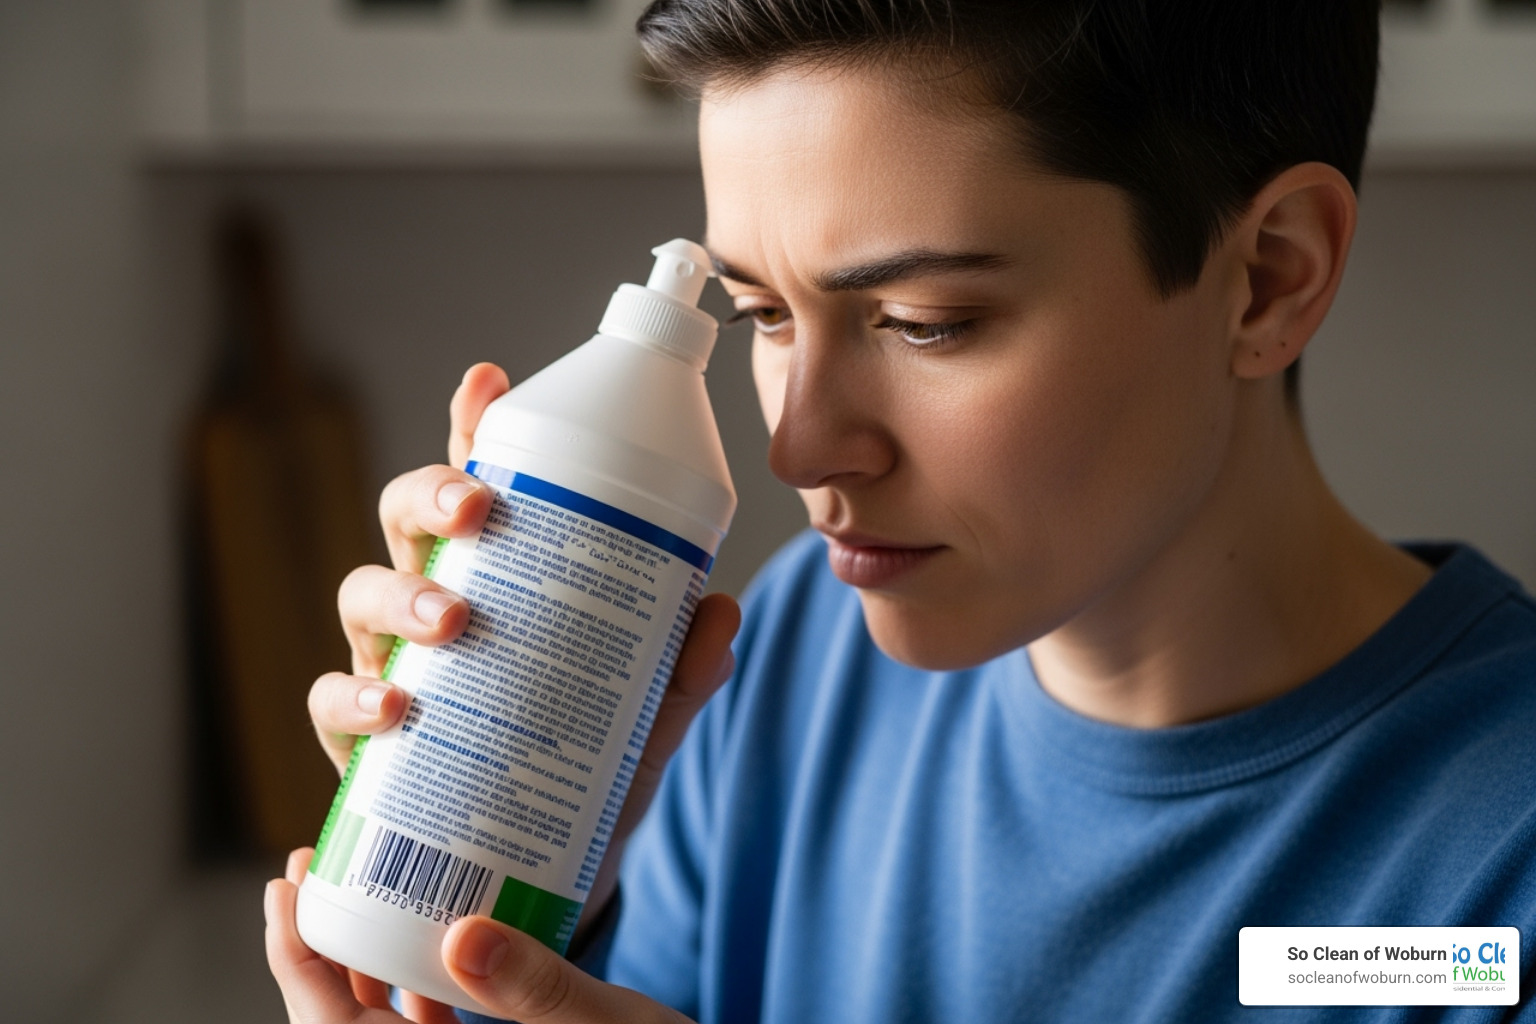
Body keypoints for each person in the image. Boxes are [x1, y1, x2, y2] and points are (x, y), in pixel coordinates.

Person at [264, 1, 1536, 1021]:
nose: (798, 443)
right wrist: (503, 923)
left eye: (928, 323)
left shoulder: (1488, 886)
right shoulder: (792, 668)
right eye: (763, 313)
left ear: (1267, 278)